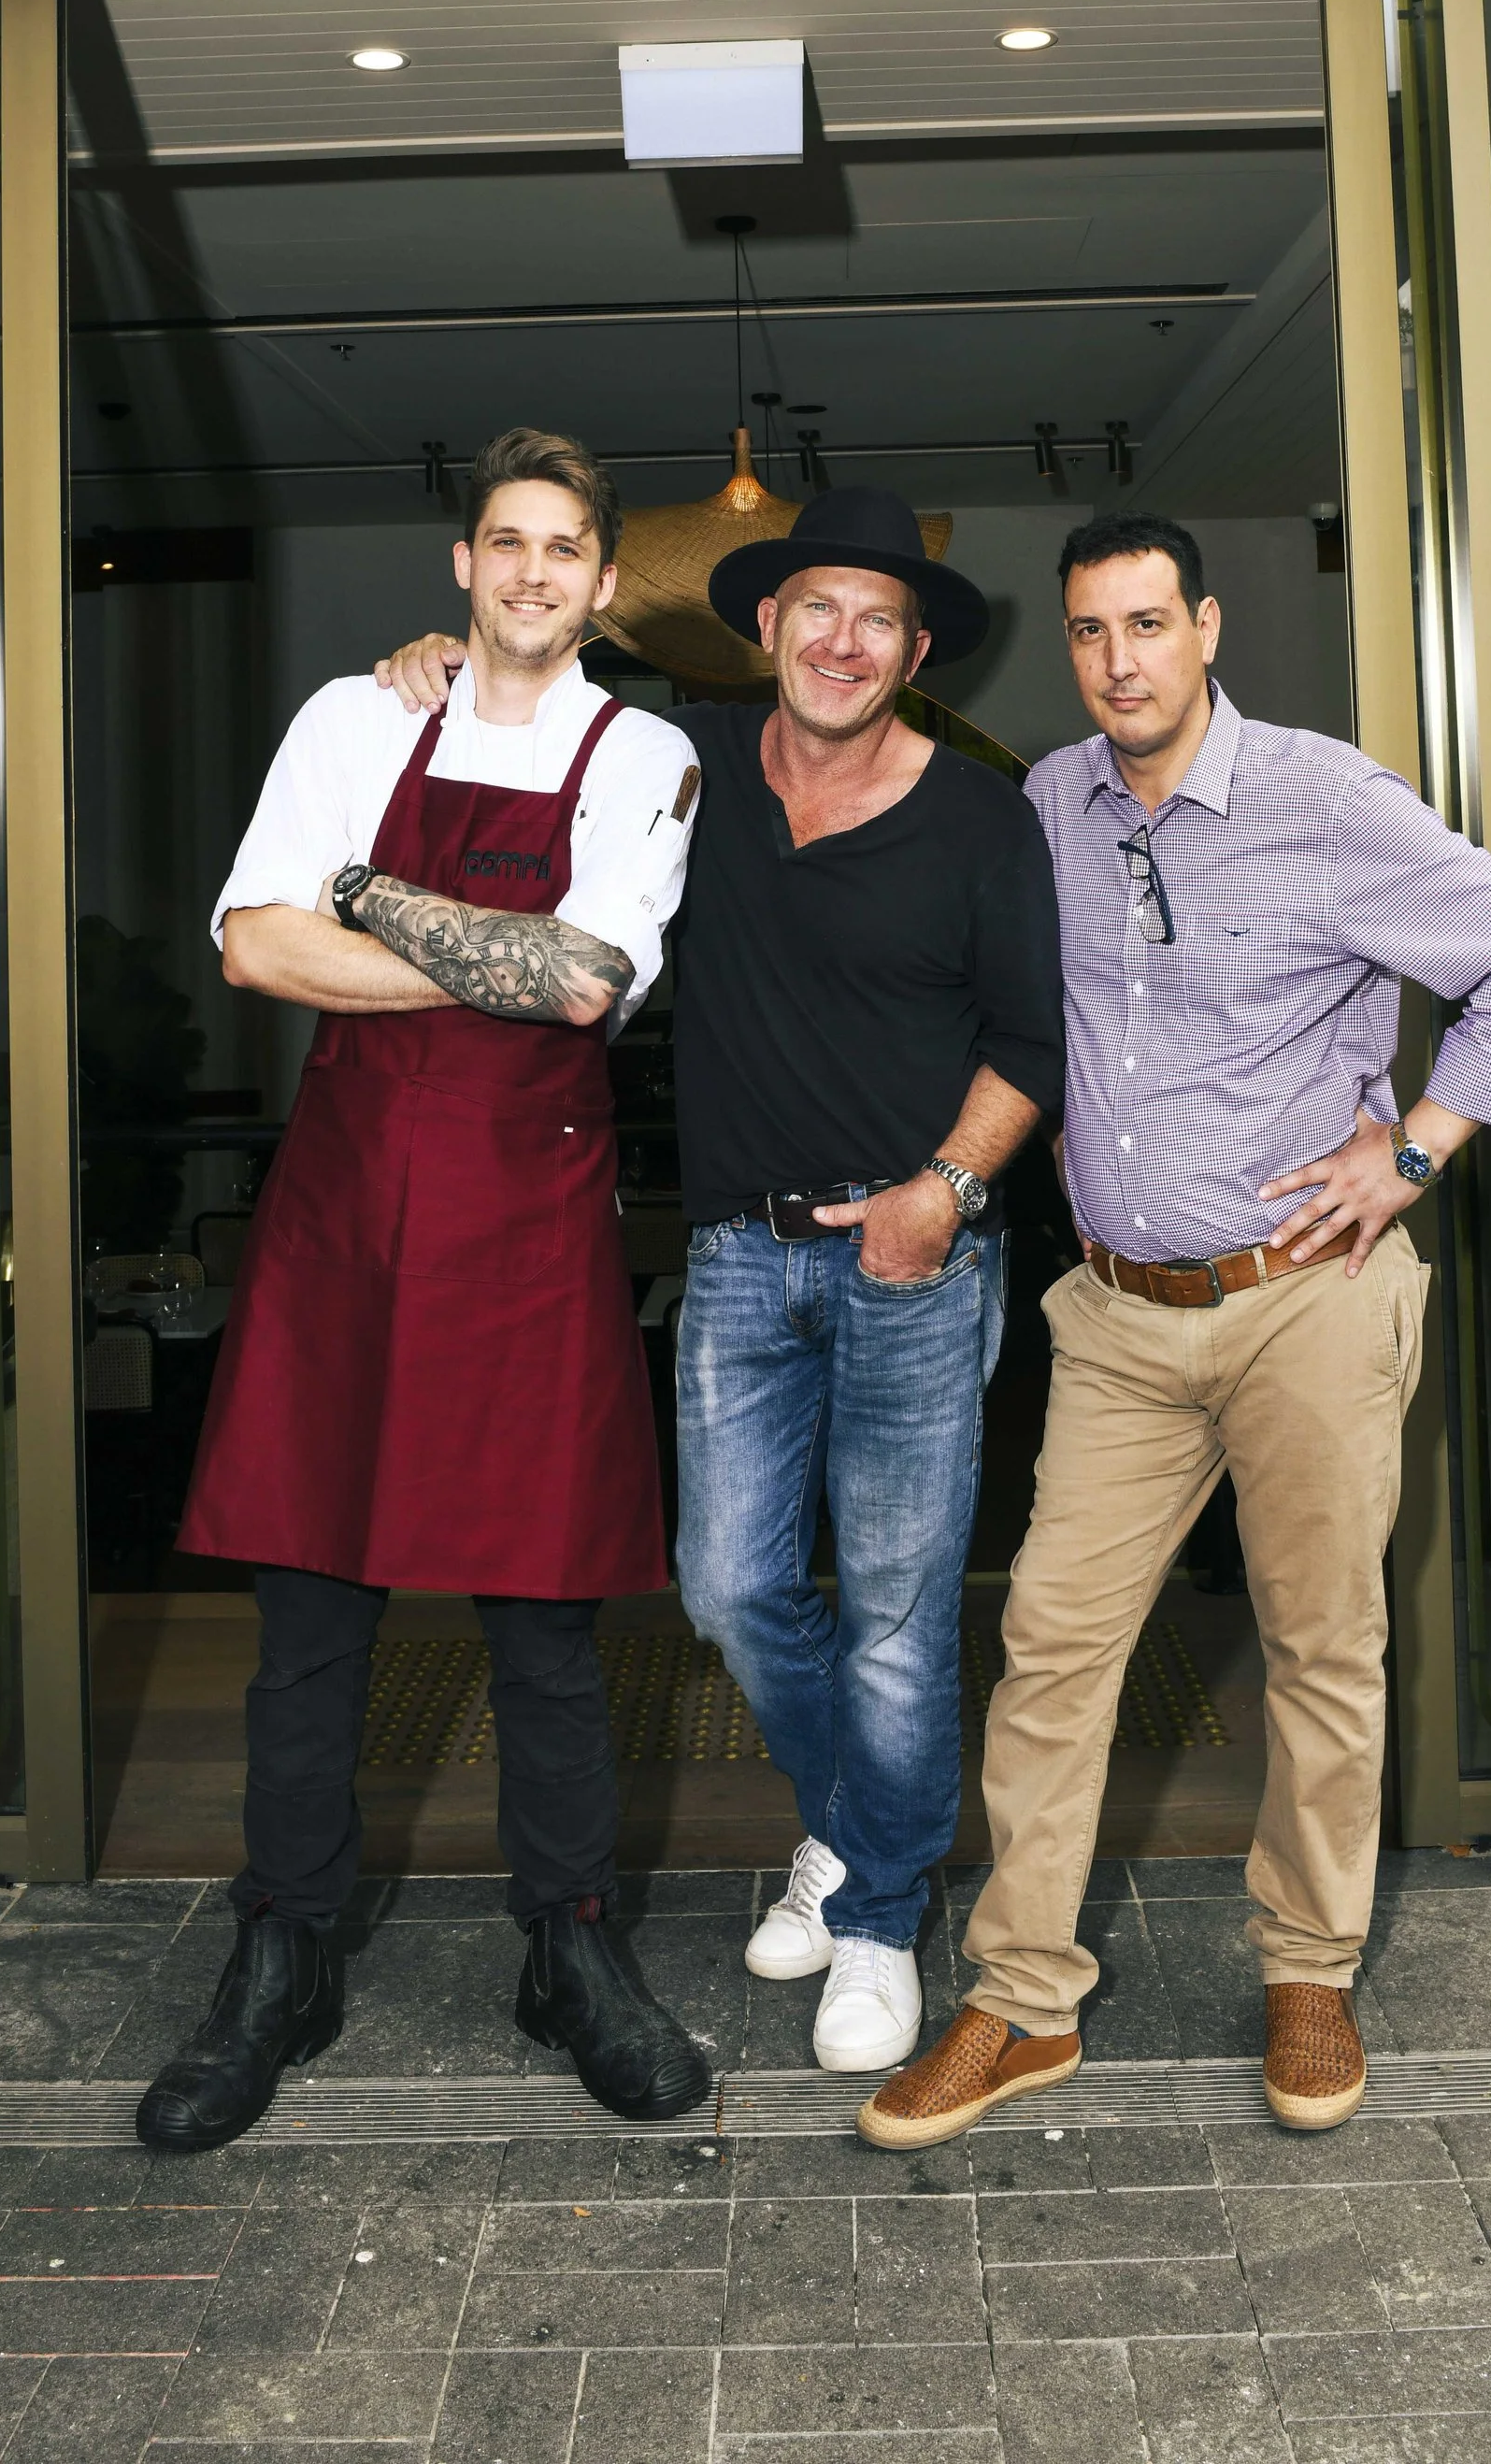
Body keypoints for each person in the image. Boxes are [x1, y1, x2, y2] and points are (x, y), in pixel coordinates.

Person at [859, 513, 1491, 2151]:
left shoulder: (1326, 801)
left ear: (1205, 629)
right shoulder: (1053, 797)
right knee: (1051, 1646)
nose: (1119, 660)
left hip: (1304, 1303)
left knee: (1324, 1648)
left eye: (1146, 624)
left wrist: (1407, 1153)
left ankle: (1310, 1965)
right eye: (1089, 633)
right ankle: (1021, 1999)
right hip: (1123, 1316)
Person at [381, 485, 1065, 2075]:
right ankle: (852, 1831)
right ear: (762, 625)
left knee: (895, 1617)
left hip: (915, 1256)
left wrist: (943, 1190)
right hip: (739, 1257)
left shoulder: (976, 816)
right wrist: (433, 652)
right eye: (816, 608)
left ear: (913, 650)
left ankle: (881, 1914)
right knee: (729, 1588)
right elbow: (520, 695)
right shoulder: (677, 772)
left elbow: (1031, 1043)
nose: (842, 640)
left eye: (878, 619)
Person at [136, 429, 710, 2154]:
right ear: (463, 564)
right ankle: (286, 1948)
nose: (534, 572)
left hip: (528, 1234)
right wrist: (468, 955)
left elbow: (581, 980)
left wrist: (370, 895)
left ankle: (573, 1944)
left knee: (544, 1625)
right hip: (341, 1225)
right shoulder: (352, 715)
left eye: (565, 549)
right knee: (307, 1623)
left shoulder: (650, 749)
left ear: (604, 584)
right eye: (505, 542)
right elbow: (251, 941)